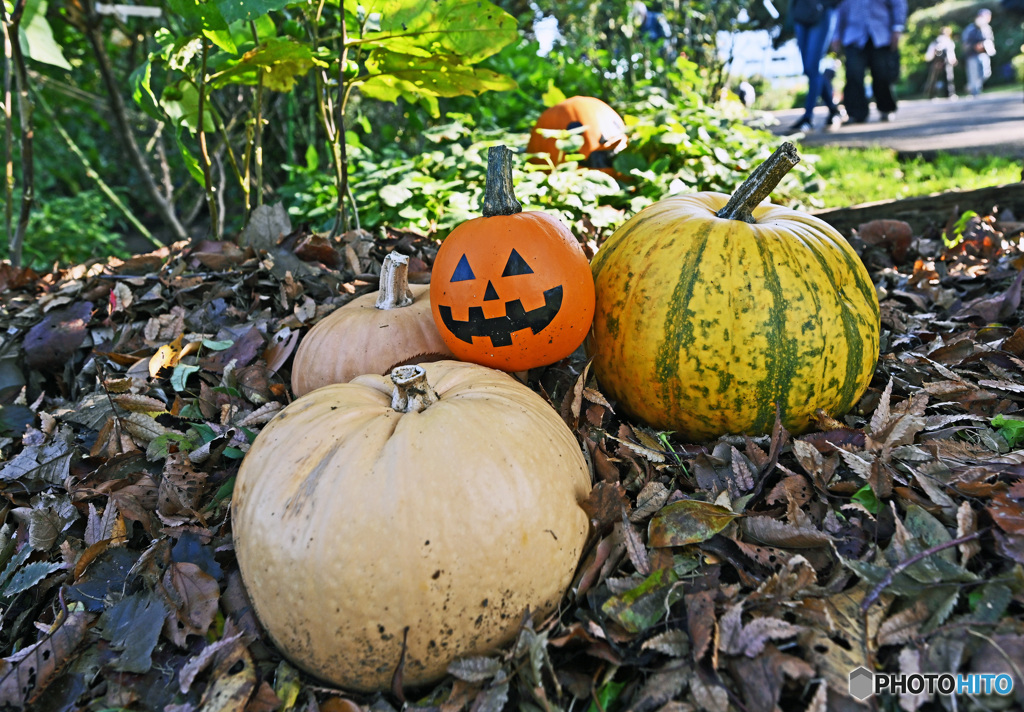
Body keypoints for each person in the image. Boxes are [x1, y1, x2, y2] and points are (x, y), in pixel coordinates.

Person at [834, 0, 907, 124]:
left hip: (880, 35)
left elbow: (898, 4)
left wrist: (897, 28)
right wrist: (836, 35)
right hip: (853, 36)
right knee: (853, 74)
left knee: (882, 75)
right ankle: (856, 113)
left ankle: (886, 108)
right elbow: (840, 10)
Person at [789, 0, 842, 131]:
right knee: (809, 69)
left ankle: (808, 117)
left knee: (812, 67)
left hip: (822, 13)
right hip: (801, 13)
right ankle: (833, 109)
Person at [962, 9, 996, 97]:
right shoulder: (970, 29)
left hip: (984, 54)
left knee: (986, 73)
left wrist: (985, 46)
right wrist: (974, 46)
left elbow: (990, 40)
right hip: (972, 55)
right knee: (973, 75)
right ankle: (974, 91)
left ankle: (973, 86)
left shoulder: (987, 28)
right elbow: (965, 44)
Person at [924, 26, 958, 99]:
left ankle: (932, 95)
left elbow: (929, 55)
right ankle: (950, 94)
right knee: (948, 78)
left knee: (934, 79)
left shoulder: (935, 42)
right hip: (945, 62)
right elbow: (950, 53)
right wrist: (953, 59)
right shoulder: (948, 41)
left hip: (936, 62)